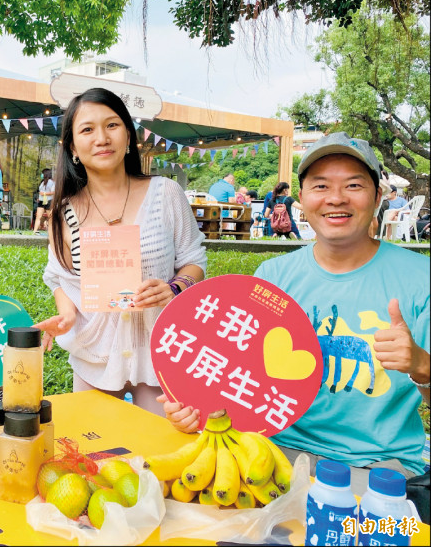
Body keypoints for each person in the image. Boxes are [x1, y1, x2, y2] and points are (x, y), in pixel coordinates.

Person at [164, 132, 430, 497]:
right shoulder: (270, 279)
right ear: (301, 199)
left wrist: (420, 365)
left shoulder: (420, 280)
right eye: (321, 186)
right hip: (270, 452)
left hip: (375, 465)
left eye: (353, 185)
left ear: (378, 196)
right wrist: (197, 408)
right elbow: (237, 378)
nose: (336, 198)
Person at [34, 88, 207, 416]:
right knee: (93, 453)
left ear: (128, 136)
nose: (101, 138)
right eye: (87, 129)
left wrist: (174, 287)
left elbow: (193, 260)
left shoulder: (166, 194)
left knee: (159, 454)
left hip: (160, 348)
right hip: (95, 353)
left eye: (112, 125)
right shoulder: (64, 212)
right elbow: (59, 276)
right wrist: (67, 315)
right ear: (72, 147)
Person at [33, 168, 55, 234]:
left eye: (42, 173)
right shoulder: (42, 182)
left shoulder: (52, 182)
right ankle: (35, 231)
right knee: (38, 216)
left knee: (50, 217)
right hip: (41, 201)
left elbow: (53, 192)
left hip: (48, 201)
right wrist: (39, 197)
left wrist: (44, 194)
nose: (41, 175)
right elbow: (40, 191)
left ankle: (51, 231)